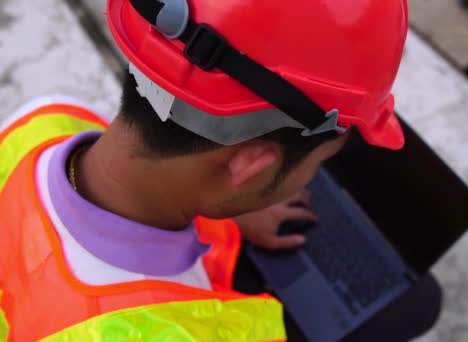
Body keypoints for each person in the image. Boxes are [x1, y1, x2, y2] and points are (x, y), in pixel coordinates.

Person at [0, 0, 441, 340]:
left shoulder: (44, 120)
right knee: (418, 304)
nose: (311, 178)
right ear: (249, 164)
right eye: (320, 163)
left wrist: (232, 204)